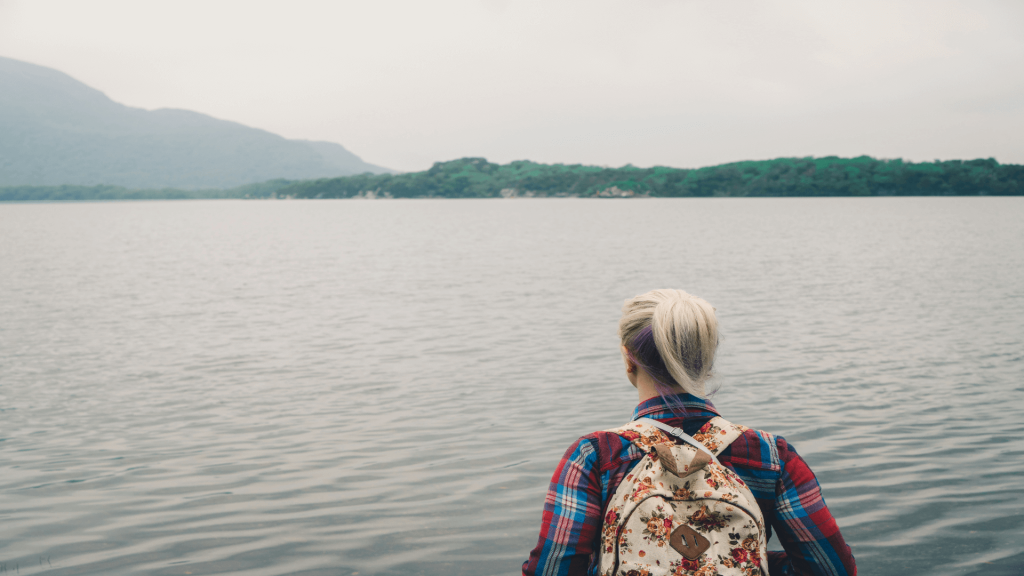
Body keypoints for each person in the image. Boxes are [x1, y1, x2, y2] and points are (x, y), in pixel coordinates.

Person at [522, 289, 856, 576]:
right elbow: (832, 569)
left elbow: (553, 569)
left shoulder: (594, 456)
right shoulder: (772, 456)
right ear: (707, 360)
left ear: (628, 359)